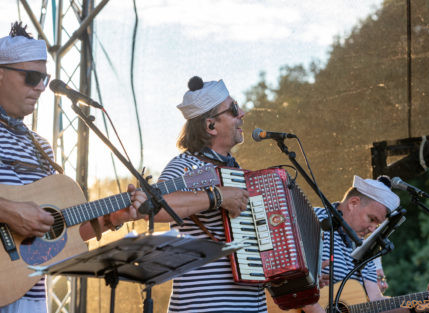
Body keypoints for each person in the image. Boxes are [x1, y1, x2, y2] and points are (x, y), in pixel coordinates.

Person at [0, 22, 146, 313]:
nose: (41, 87)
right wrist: (9, 211)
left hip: (27, 296)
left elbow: (56, 238)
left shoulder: (41, 147)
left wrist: (111, 219)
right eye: (31, 77)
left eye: (44, 78)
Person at [155, 76, 267, 312]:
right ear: (211, 126)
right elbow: (155, 207)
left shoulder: (235, 170)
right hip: (203, 306)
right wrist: (216, 197)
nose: (242, 113)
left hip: (250, 306)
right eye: (234, 109)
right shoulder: (185, 165)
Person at [303, 175, 429, 313]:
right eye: (372, 219)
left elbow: (376, 302)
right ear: (353, 203)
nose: (372, 229)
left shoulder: (365, 248)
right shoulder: (311, 218)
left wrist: (416, 307)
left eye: (377, 224)